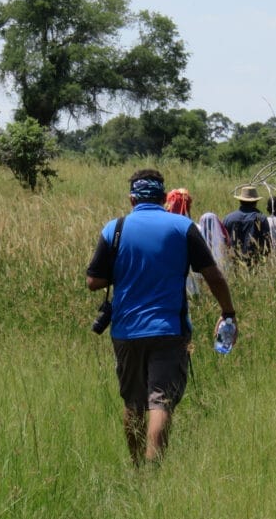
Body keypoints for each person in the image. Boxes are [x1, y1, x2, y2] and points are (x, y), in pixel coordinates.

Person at [86, 168, 237, 466]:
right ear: (161, 196)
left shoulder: (114, 228)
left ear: (132, 198)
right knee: (161, 402)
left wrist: (125, 271)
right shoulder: (182, 227)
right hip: (170, 329)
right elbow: (212, 275)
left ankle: (137, 468)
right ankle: (154, 472)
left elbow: (93, 281)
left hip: (126, 331)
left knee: (134, 402)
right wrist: (228, 312)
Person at [221, 185, 271, 264]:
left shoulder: (228, 218)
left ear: (240, 201)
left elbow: (223, 243)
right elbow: (267, 244)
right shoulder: (261, 219)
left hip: (233, 263)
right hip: (255, 263)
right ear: (256, 202)